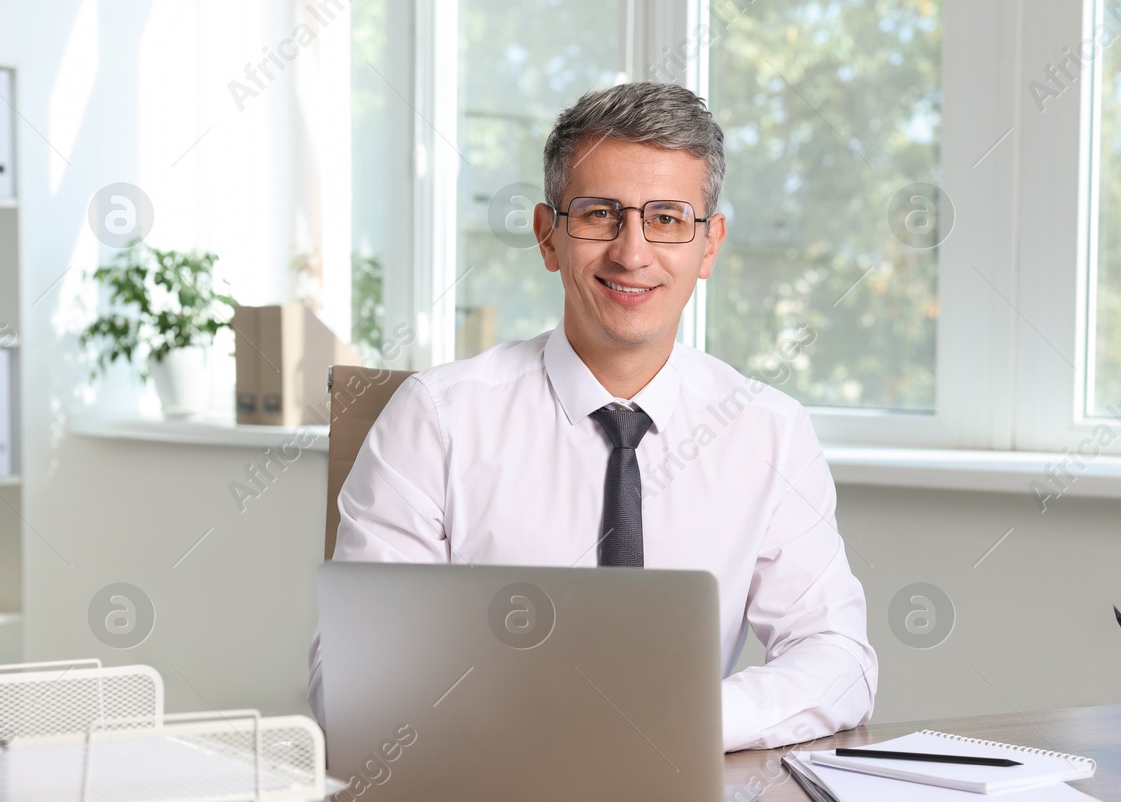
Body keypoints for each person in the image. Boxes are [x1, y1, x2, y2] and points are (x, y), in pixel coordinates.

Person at [308, 81, 876, 751]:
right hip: (483, 795)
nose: (631, 253)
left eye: (666, 218)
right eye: (600, 214)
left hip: (682, 793)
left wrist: (686, 718)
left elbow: (838, 658)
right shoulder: (437, 419)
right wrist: (541, 722)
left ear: (709, 245)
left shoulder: (768, 431)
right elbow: (349, 673)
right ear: (549, 237)